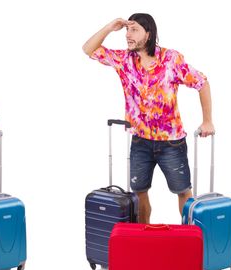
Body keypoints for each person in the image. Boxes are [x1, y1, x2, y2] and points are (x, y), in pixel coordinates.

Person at [83, 13, 215, 223]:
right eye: (127, 30)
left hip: (171, 142)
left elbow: (202, 83)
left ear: (149, 34)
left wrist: (207, 120)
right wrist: (109, 27)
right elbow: (88, 49)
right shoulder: (124, 60)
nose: (128, 35)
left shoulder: (171, 59)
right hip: (139, 142)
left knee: (182, 191)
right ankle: (143, 238)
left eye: (134, 29)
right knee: (139, 192)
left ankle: (189, 237)